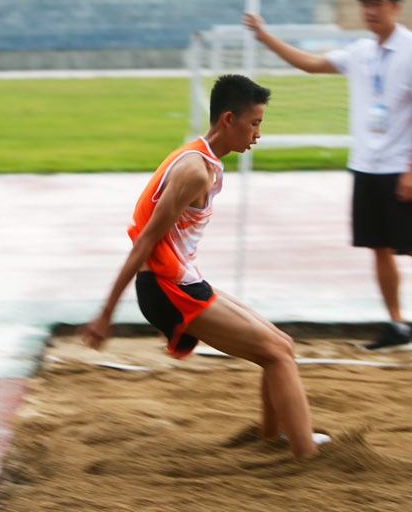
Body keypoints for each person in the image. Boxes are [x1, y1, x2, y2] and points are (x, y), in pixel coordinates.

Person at [81, 74, 328, 460]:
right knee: (277, 355)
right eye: (255, 123)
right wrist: (105, 314)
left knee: (281, 346)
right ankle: (307, 456)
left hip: (181, 281)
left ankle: (272, 439)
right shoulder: (194, 171)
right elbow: (144, 242)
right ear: (228, 119)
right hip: (168, 289)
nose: (258, 134)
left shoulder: (202, 158)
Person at [243, 0, 412, 359]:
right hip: (366, 166)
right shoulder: (360, 52)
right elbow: (311, 63)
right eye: (365, 4)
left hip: (401, 167)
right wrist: (265, 37)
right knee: (378, 247)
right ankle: (397, 324)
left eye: (377, 3)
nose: (369, 11)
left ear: (395, 6)